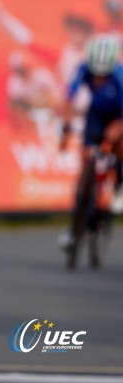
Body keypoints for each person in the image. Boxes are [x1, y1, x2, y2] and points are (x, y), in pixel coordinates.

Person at [60, 34, 123, 250]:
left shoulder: (120, 76)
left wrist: (115, 132)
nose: (98, 79)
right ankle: (74, 228)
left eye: (103, 75)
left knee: (119, 145)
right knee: (86, 168)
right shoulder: (83, 68)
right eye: (95, 74)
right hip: (95, 116)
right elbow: (68, 99)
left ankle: (120, 185)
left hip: (118, 115)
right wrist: (66, 128)